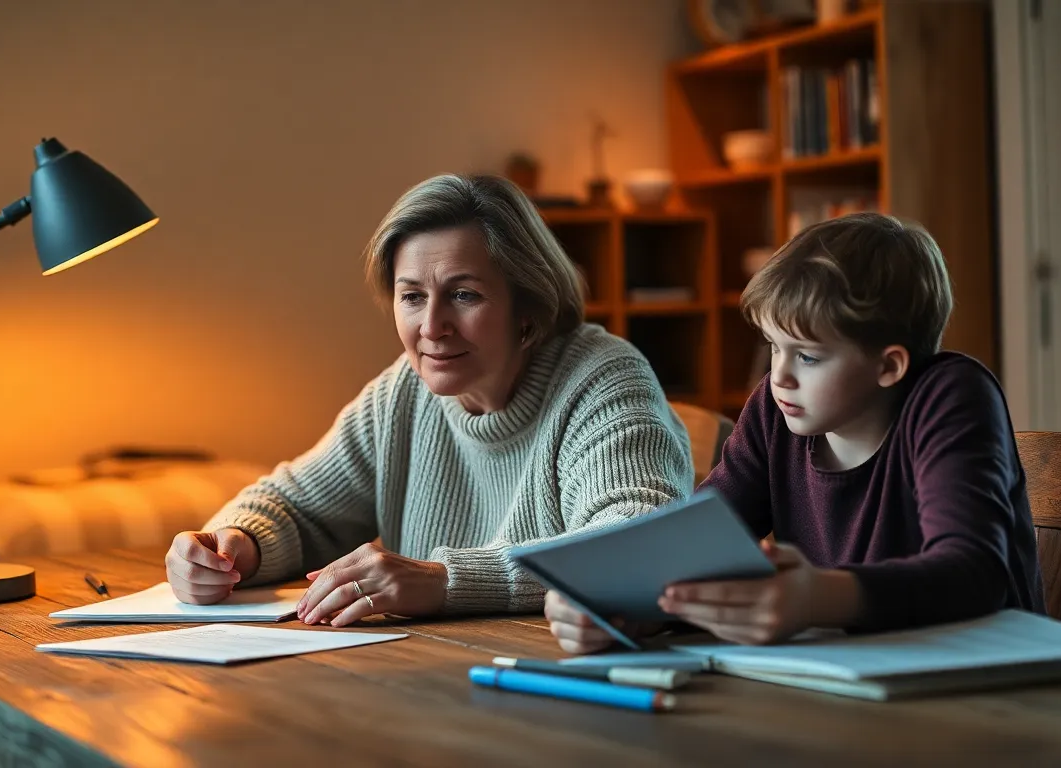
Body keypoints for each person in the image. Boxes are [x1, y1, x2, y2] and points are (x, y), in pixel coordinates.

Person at [165, 173, 693, 626]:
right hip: (424, 680)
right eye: (412, 296)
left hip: (565, 685)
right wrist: (230, 547)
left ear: (527, 309)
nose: (432, 327)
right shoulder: (403, 393)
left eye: (464, 295)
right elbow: (296, 507)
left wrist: (445, 582)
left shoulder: (602, 377)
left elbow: (635, 545)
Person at [546, 212, 1045, 653]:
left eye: (807, 355)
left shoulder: (951, 396)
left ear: (888, 365)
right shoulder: (776, 405)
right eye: (772, 346)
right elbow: (699, 544)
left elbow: (973, 574)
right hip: (846, 689)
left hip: (989, 693)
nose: (779, 374)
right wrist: (623, 605)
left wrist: (816, 597)